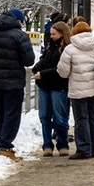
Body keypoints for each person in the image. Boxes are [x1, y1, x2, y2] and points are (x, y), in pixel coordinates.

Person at [0, 9, 35, 158]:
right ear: (18, 21)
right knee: (12, 114)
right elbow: (29, 60)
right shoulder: (20, 36)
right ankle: (5, 145)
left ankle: (0, 141)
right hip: (14, 82)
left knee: (1, 113)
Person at [58, 18, 94, 160]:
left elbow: (63, 72)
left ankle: (84, 149)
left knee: (81, 119)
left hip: (77, 90)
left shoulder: (70, 49)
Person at [30, 20, 72, 157]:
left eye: (54, 34)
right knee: (44, 116)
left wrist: (42, 74)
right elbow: (43, 61)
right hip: (45, 85)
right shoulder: (50, 47)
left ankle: (63, 143)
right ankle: (47, 144)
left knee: (60, 117)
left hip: (59, 86)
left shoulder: (66, 49)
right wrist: (36, 68)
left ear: (62, 33)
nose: (51, 36)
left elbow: (60, 69)